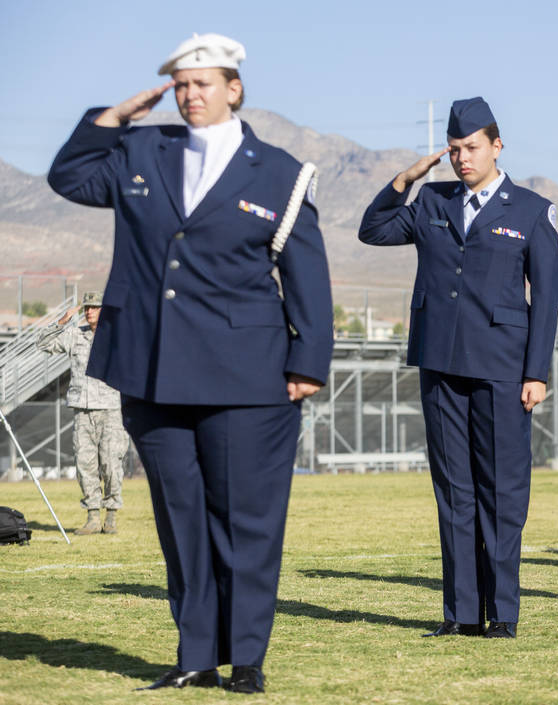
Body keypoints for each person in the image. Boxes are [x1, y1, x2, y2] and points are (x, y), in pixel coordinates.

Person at [47, 33, 333, 692]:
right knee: (180, 521)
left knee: (246, 520)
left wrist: (308, 360)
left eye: (202, 82)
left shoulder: (280, 171)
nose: (189, 94)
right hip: (152, 367)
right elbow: (69, 177)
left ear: (234, 87)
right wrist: (112, 118)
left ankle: (247, 658)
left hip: (248, 374)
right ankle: (196, 654)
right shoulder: (144, 150)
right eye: (180, 83)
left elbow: (306, 272)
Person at [359, 97, 558, 639]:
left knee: (502, 489)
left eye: (471, 148)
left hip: (501, 367)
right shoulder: (431, 201)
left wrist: (536, 371)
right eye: (453, 150)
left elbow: (547, 297)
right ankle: (461, 614)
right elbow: (372, 230)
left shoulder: (531, 210)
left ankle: (504, 613)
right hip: (441, 364)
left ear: (497, 146)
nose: (461, 159)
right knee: (454, 490)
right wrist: (406, 177)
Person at [36, 291, 130, 535]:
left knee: (111, 463)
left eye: (95, 308)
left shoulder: (118, 336)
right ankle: (92, 517)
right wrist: (62, 321)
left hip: (111, 409)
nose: (89, 312)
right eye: (87, 308)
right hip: (82, 410)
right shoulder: (75, 335)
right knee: (85, 465)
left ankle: (111, 516)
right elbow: (42, 344)